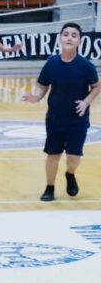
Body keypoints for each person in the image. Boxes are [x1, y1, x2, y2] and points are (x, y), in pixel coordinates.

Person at [22, 22, 100, 202]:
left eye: (74, 35)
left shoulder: (86, 65)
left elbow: (96, 86)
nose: (69, 37)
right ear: (60, 38)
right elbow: (43, 85)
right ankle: (49, 187)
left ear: (80, 41)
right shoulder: (52, 63)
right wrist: (37, 96)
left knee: (74, 156)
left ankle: (70, 174)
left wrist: (86, 102)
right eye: (66, 34)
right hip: (55, 118)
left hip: (77, 119)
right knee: (53, 154)